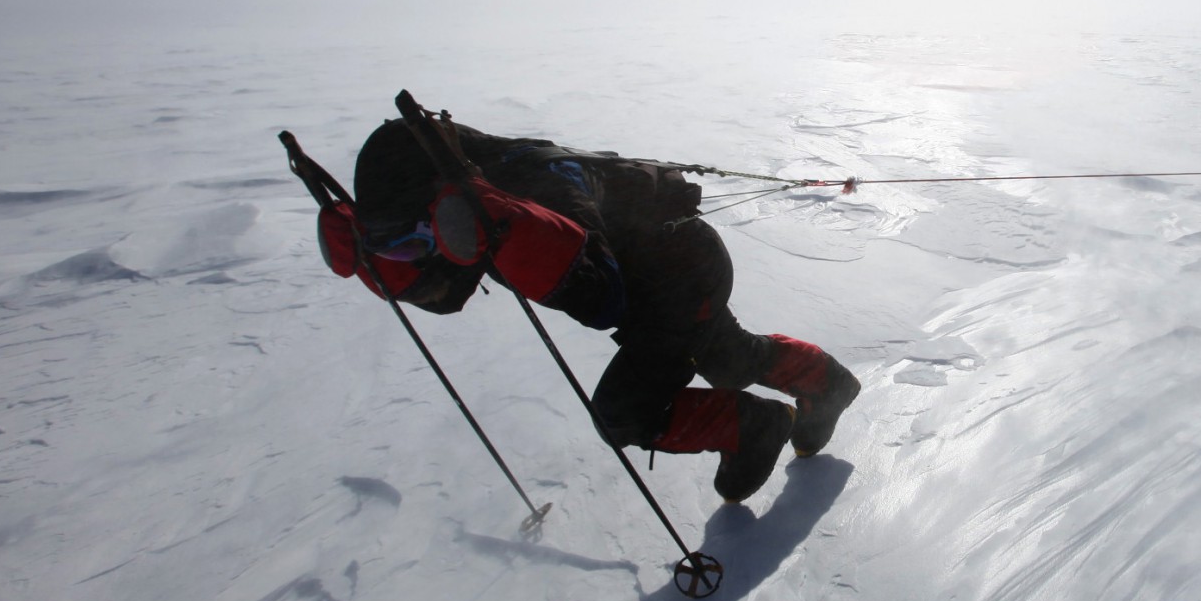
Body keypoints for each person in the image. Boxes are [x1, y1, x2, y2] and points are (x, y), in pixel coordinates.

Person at [327, 116, 859, 504]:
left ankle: (754, 424)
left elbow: (604, 300)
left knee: (625, 411)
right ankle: (821, 386)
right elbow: (449, 289)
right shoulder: (465, 200)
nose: (416, 252)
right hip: (664, 276)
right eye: (394, 246)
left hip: (677, 277)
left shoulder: (527, 195)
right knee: (726, 356)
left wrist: (516, 236)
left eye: (413, 241)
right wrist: (385, 264)